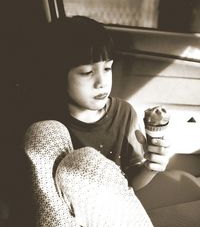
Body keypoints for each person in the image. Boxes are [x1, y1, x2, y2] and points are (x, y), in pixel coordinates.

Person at [39, 15, 171, 192]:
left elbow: (131, 182)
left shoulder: (124, 113)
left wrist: (150, 167)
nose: (102, 82)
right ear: (58, 76)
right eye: (87, 72)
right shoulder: (50, 127)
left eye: (107, 68)